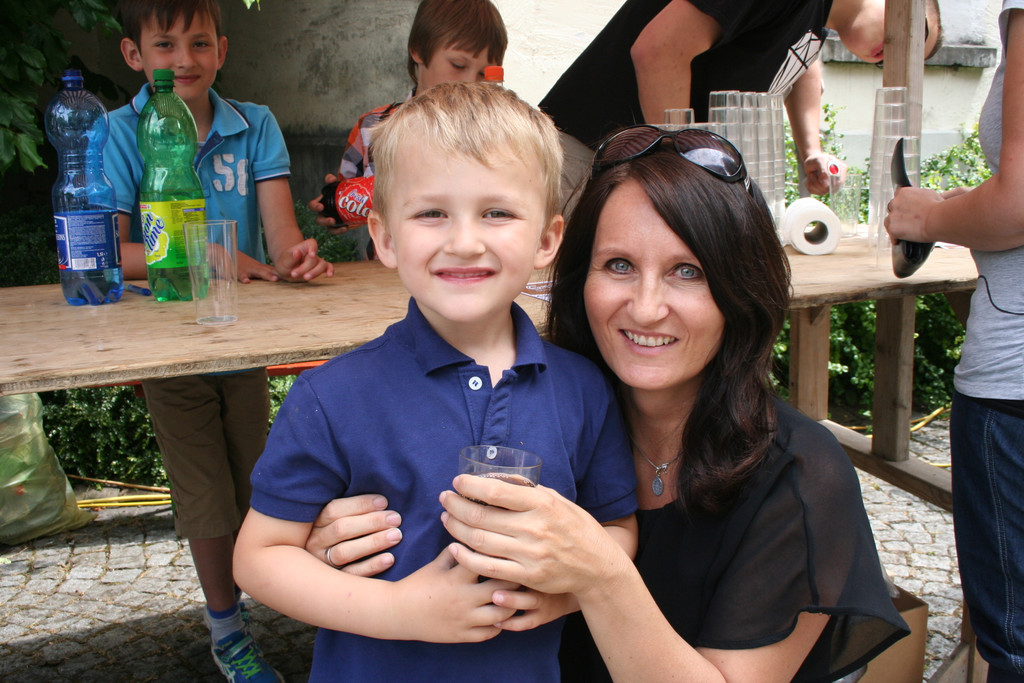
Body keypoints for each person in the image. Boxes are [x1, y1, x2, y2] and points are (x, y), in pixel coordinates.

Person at [309, 125, 909, 681]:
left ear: (739, 290)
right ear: (577, 277)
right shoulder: (546, 407)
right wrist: (332, 549)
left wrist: (600, 576)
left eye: (687, 272)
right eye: (619, 265)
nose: (646, 308)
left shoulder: (800, 478)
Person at [232, 81, 638, 682]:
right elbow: (259, 559)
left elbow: (617, 529)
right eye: (431, 213)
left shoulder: (583, 389)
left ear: (547, 239)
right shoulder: (332, 397)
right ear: (385, 238)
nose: (464, 242)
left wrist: (567, 595)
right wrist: (401, 609)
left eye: (497, 212)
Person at [103, 1, 333, 680]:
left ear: (222, 50)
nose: (184, 59)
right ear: (134, 55)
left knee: (255, 473)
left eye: (199, 43)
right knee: (204, 489)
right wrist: (207, 253)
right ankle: (227, 628)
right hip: (166, 340)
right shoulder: (119, 131)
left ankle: (280, 594)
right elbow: (109, 253)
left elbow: (282, 235)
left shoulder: (254, 124)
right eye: (165, 44)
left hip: (244, 338)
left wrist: (295, 257)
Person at [885, 2, 1024, 680]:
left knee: (1015, 645)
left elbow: (1018, 203)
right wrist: (971, 205)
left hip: (1015, 383)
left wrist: (931, 217)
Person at [539, 0, 943, 202]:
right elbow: (659, 50)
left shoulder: (814, 19)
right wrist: (682, 171)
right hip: (579, 160)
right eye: (915, 30)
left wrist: (811, 149)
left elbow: (803, 62)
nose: (895, 50)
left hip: (624, 175)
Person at [306, 0, 508, 242]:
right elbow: (354, 200)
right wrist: (338, 210)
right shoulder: (373, 126)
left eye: (485, 74)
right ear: (418, 50)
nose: (470, 83)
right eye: (458, 65)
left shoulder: (501, 133)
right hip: (389, 264)